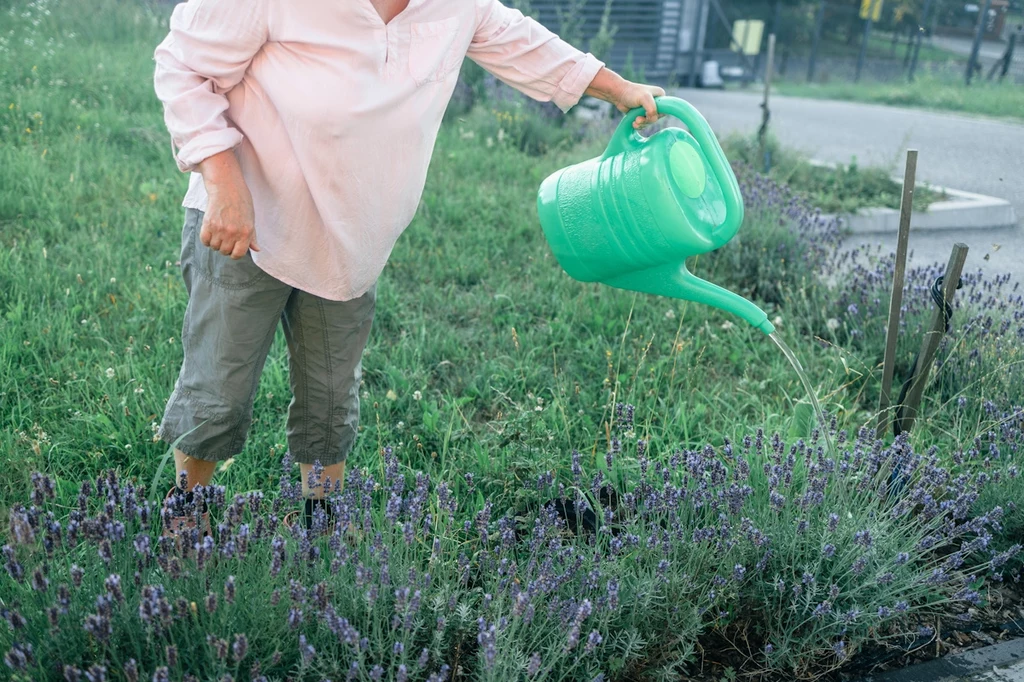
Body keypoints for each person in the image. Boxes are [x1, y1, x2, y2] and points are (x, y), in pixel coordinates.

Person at [153, 0, 665, 534]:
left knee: (330, 393)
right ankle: (187, 513)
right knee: (219, 385)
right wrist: (222, 179)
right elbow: (184, 66)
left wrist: (619, 89)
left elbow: (523, 42)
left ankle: (320, 519)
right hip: (249, 217)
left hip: (352, 234)